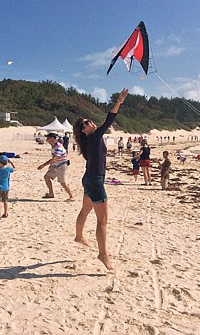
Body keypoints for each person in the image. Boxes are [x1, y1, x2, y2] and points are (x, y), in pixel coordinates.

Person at [72, 88, 129, 270]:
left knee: (85, 211)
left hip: (89, 179)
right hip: (95, 181)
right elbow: (109, 120)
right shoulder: (94, 136)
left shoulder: (88, 141)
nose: (91, 122)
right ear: (84, 129)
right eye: (87, 122)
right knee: (102, 221)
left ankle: (79, 236)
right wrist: (119, 101)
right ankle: (103, 254)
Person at [38, 132, 74, 201]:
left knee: (62, 183)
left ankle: (71, 196)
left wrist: (43, 165)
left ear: (52, 138)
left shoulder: (58, 147)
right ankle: (51, 193)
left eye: (48, 138)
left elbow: (54, 158)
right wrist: (51, 164)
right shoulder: (53, 145)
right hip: (55, 165)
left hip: (61, 166)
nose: (47, 140)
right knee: (47, 177)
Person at [0, 155, 16, 220]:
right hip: (6, 188)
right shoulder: (8, 169)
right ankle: (5, 213)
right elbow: (15, 169)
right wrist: (11, 163)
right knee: (5, 201)